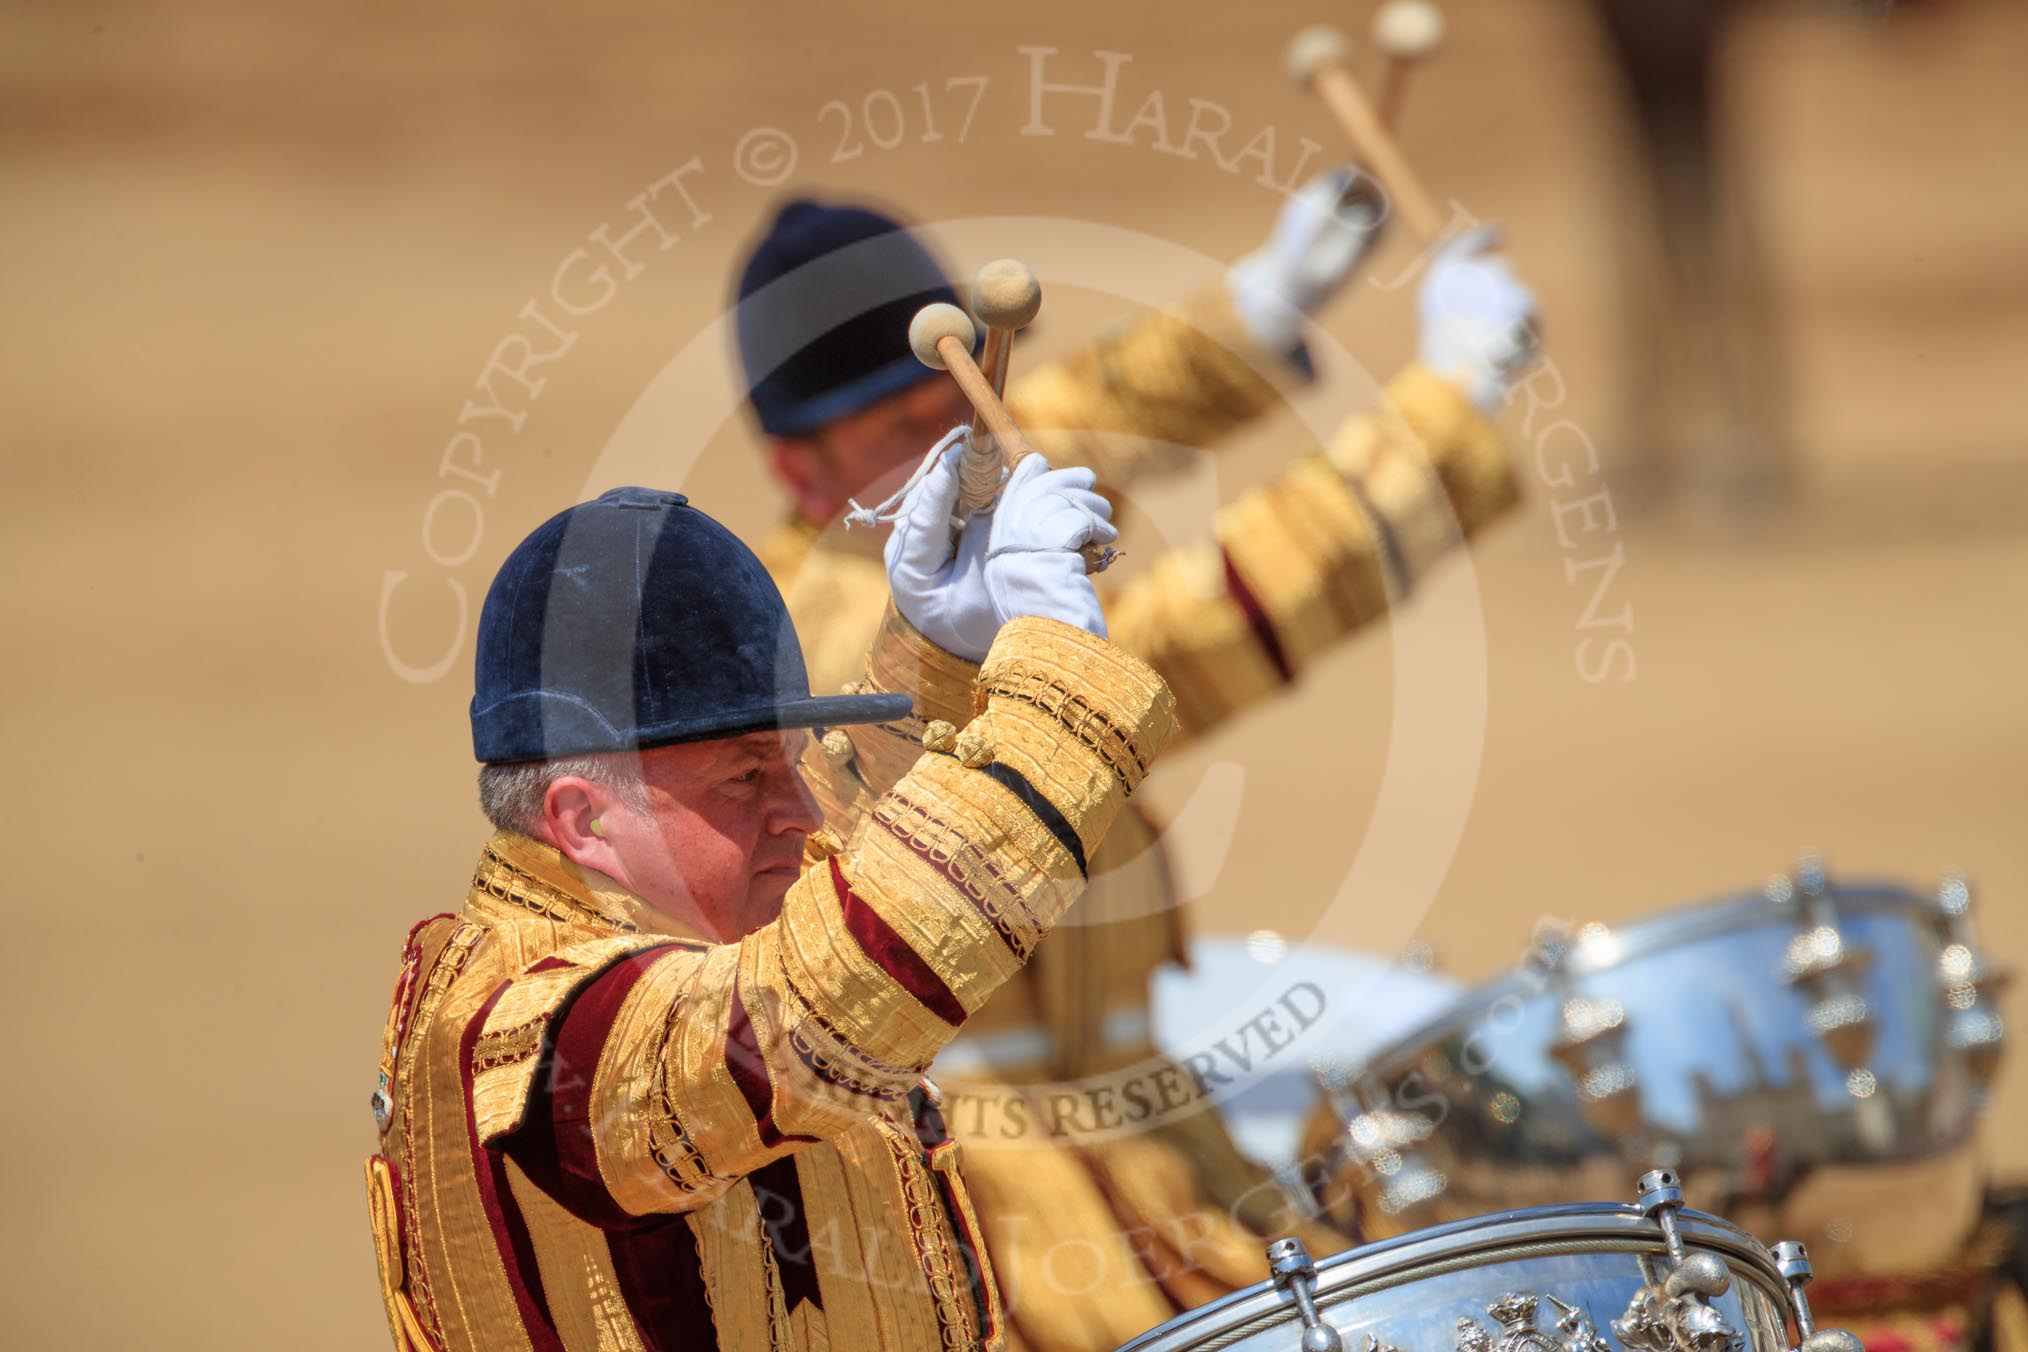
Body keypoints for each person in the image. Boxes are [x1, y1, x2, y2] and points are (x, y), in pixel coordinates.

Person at [733, 186, 1540, 1347]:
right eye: (894, 432)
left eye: (951, 406)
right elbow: (1183, 635)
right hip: (987, 1182)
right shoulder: (829, 625)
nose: (944, 450)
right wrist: (1443, 407)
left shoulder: (913, 489)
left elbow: (1074, 406)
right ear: (802, 473)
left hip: (1139, 1130)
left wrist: (1262, 308)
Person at [363, 465, 1178, 1351]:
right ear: (583, 819)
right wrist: (1056, 692)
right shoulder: (523, 1020)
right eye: (748, 777)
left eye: (791, 762)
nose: (804, 809)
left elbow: (840, 869)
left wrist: (947, 656)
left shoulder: (684, 924)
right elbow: (809, 1005)